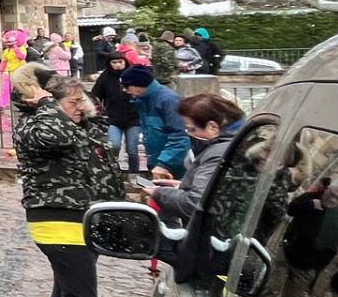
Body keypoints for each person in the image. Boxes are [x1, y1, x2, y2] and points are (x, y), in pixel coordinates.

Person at [11, 69, 134, 297]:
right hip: (58, 220)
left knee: (66, 293)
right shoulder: (37, 125)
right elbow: (57, 134)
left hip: (84, 218)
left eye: (83, 100)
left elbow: (102, 157)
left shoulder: (80, 123)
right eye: (74, 101)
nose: (81, 106)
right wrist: (49, 103)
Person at [148, 93, 244, 227]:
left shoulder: (219, 152)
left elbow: (196, 203)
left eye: (192, 129)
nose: (190, 135)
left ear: (212, 127)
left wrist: (159, 193)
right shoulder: (234, 143)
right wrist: (181, 186)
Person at [122, 64, 191, 179]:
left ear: (139, 84)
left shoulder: (168, 100)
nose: (125, 90)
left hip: (173, 165)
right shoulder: (142, 99)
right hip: (157, 160)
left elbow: (180, 136)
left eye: (127, 86)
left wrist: (164, 164)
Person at [90, 53, 143, 172]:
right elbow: (95, 96)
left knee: (132, 149)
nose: (118, 65)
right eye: (114, 63)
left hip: (133, 117)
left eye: (120, 62)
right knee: (114, 146)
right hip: (113, 118)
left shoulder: (132, 75)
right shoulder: (105, 76)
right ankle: (114, 171)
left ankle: (134, 174)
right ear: (109, 64)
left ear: (125, 62)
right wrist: (99, 112)